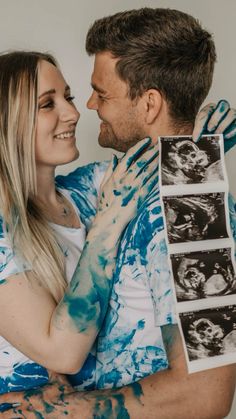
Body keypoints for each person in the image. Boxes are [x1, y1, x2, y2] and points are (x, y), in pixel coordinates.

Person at [1, 7, 236, 419]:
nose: (81, 110)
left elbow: (208, 394)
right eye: (48, 103)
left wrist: (198, 148)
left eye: (94, 94)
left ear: (148, 104)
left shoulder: (191, 211)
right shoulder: (103, 195)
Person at [0, 51, 158, 398]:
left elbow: (157, 154)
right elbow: (63, 354)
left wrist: (198, 139)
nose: (72, 113)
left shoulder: (83, 190)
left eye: (68, 97)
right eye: (47, 104)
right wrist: (106, 227)